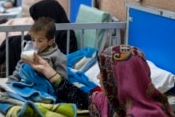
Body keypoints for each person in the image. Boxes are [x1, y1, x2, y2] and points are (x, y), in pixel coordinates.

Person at [23, 45, 175, 117]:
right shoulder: (113, 101)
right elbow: (82, 98)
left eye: (103, 73)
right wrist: (46, 69)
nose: (97, 77)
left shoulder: (149, 115)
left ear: (119, 80)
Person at [0, 0, 77, 77]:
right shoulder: (60, 32)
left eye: (37, 19)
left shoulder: (67, 34)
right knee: (12, 41)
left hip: (51, 74)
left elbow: (63, 59)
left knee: (13, 43)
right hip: (37, 71)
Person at [7, 16, 67, 83]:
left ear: (50, 42)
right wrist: (12, 81)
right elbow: (20, 67)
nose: (35, 44)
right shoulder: (30, 53)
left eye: (40, 41)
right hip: (30, 83)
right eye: (33, 40)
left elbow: (62, 79)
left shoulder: (58, 57)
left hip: (47, 86)